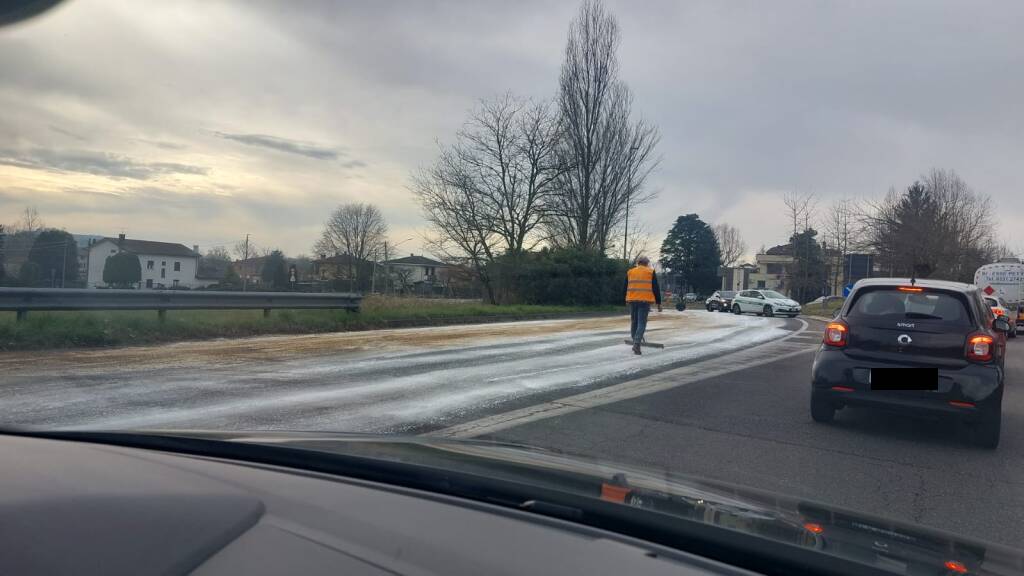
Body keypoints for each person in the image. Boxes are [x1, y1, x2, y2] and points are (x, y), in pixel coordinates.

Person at [624, 255, 662, 355]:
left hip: (632, 300)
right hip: (644, 301)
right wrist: (659, 303)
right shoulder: (650, 272)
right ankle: (636, 343)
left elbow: (625, 287)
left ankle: (635, 340)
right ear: (646, 263)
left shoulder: (630, 272)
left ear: (638, 263)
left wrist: (625, 300)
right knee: (641, 323)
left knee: (634, 321)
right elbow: (656, 288)